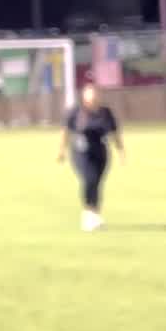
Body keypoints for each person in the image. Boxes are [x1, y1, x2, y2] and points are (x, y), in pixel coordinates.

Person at [59, 83, 125, 231]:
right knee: (90, 179)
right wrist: (61, 150)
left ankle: (95, 214)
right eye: (90, 95)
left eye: (96, 94)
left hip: (100, 151)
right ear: (84, 96)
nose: (93, 98)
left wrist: (121, 151)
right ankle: (88, 213)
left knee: (97, 183)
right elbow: (65, 131)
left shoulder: (105, 112)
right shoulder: (75, 112)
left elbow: (115, 133)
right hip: (81, 151)